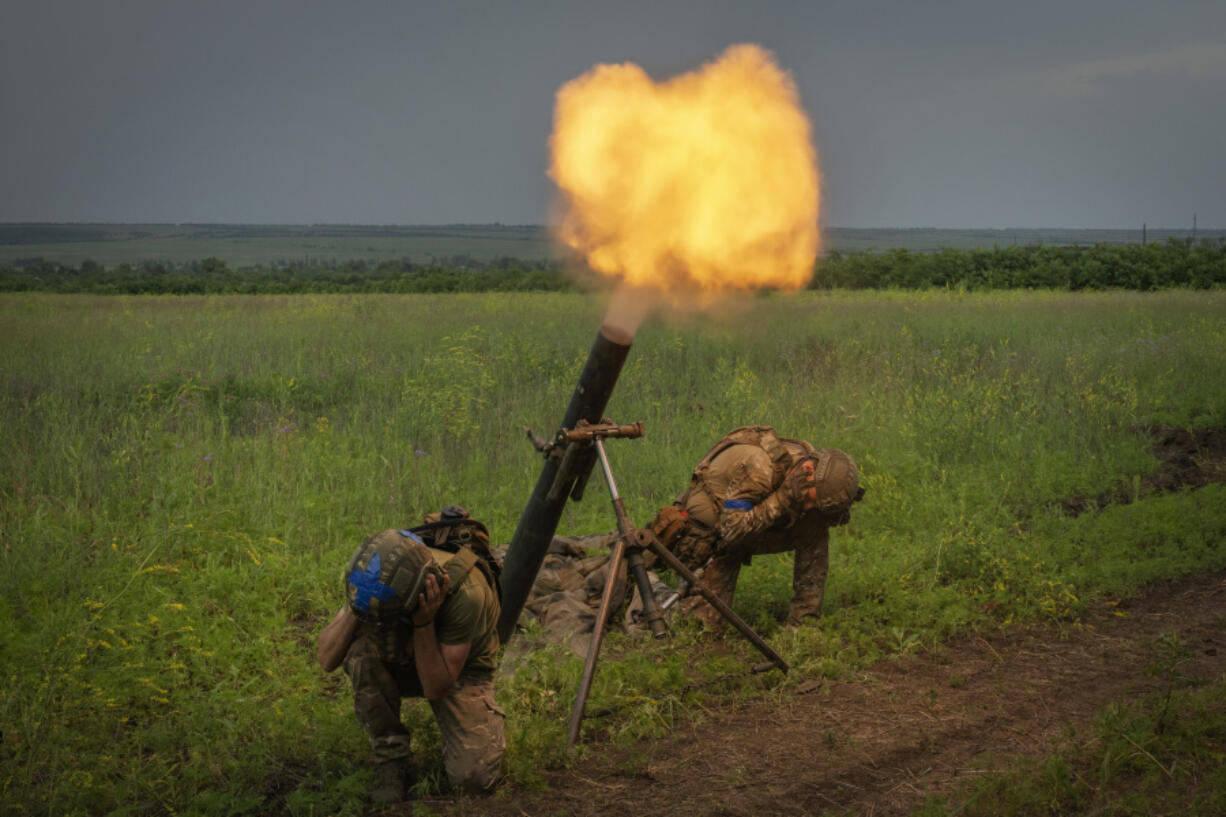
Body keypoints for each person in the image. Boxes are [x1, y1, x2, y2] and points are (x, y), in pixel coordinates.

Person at [316, 507, 504, 806]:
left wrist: (424, 621)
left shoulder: (467, 594)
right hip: (407, 642)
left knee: (473, 779)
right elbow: (326, 659)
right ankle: (391, 758)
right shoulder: (382, 573)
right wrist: (359, 604)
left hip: (460, 667)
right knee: (360, 650)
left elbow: (437, 687)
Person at [649, 426, 863, 627]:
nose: (807, 507)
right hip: (709, 532)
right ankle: (650, 588)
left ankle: (804, 622)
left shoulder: (809, 471)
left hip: (749, 527)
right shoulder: (759, 468)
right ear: (807, 469)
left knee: (815, 525)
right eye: (809, 500)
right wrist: (782, 500)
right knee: (699, 623)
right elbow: (731, 531)